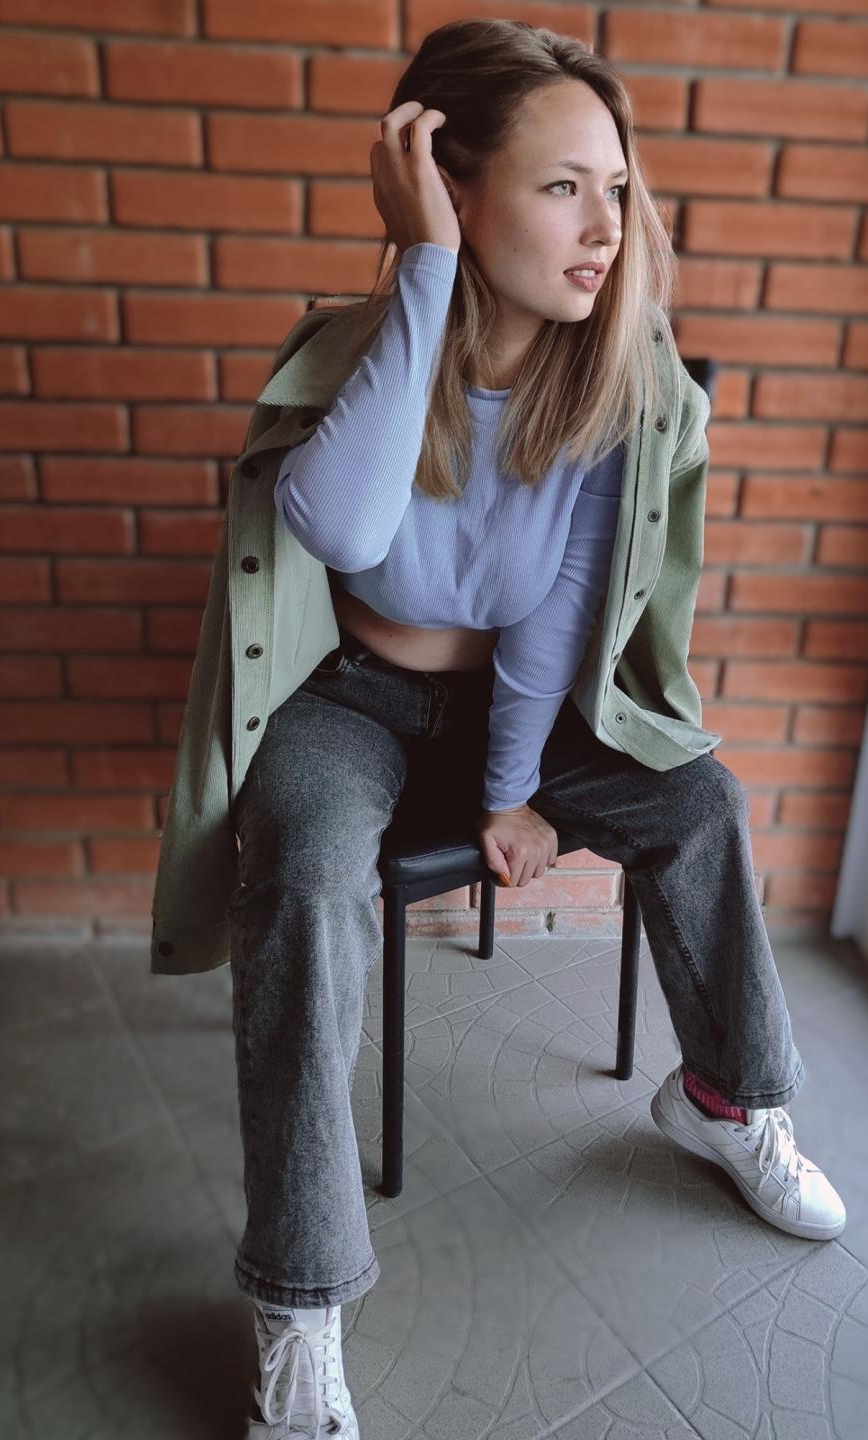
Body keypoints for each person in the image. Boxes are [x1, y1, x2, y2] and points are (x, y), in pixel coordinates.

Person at [152, 20, 847, 1438]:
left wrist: (511, 789)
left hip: (517, 704)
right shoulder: (355, 357)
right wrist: (423, 270)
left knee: (700, 799)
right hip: (350, 697)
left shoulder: (616, 386)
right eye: (561, 187)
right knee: (302, 872)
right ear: (451, 188)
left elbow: (553, 617)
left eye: (617, 187)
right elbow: (342, 527)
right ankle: (299, 1303)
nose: (605, 227)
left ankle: (724, 1101)